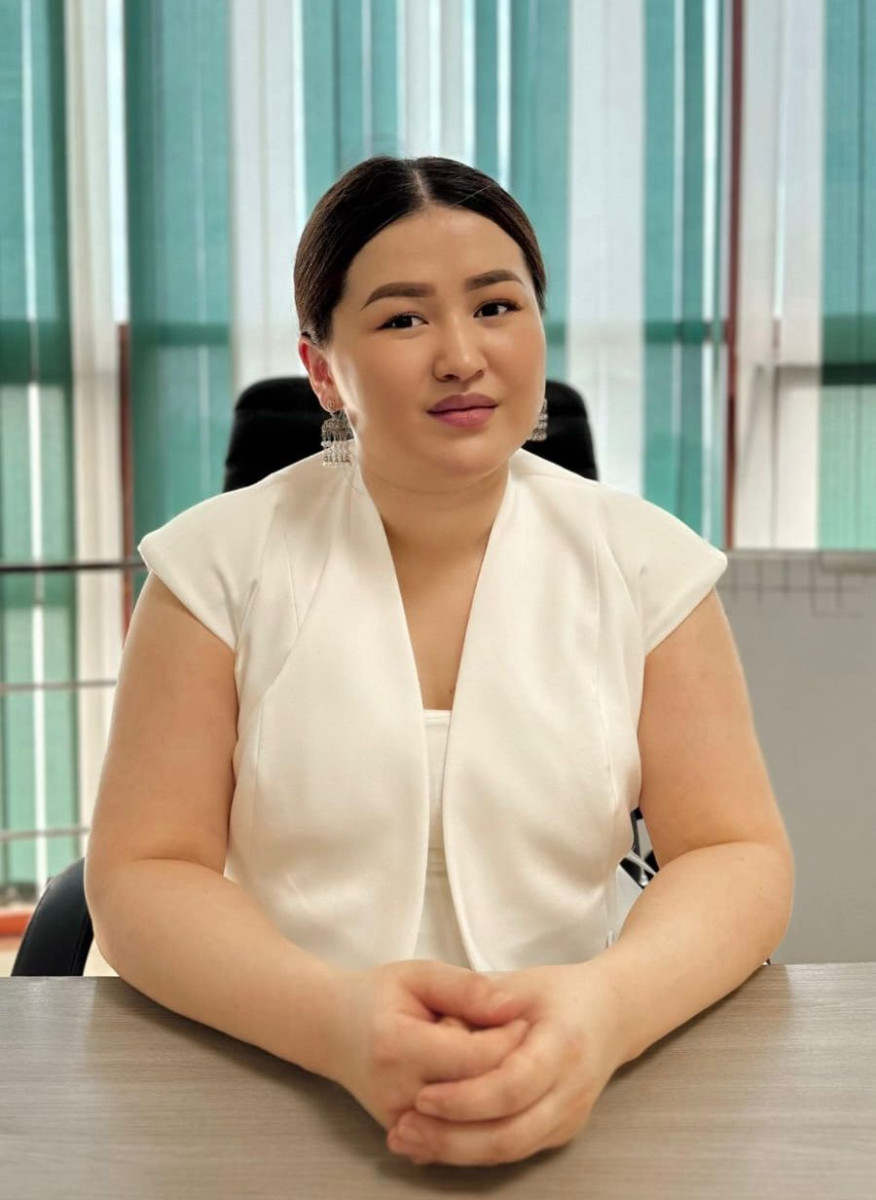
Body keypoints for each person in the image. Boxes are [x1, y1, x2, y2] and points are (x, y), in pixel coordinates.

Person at [85, 155, 795, 1169]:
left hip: (580, 1075)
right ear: (323, 369)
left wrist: (606, 1011)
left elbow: (735, 853)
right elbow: (144, 871)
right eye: (404, 319)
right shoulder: (211, 569)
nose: (462, 356)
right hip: (268, 1071)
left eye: (496, 307)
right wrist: (332, 1023)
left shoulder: (649, 565)